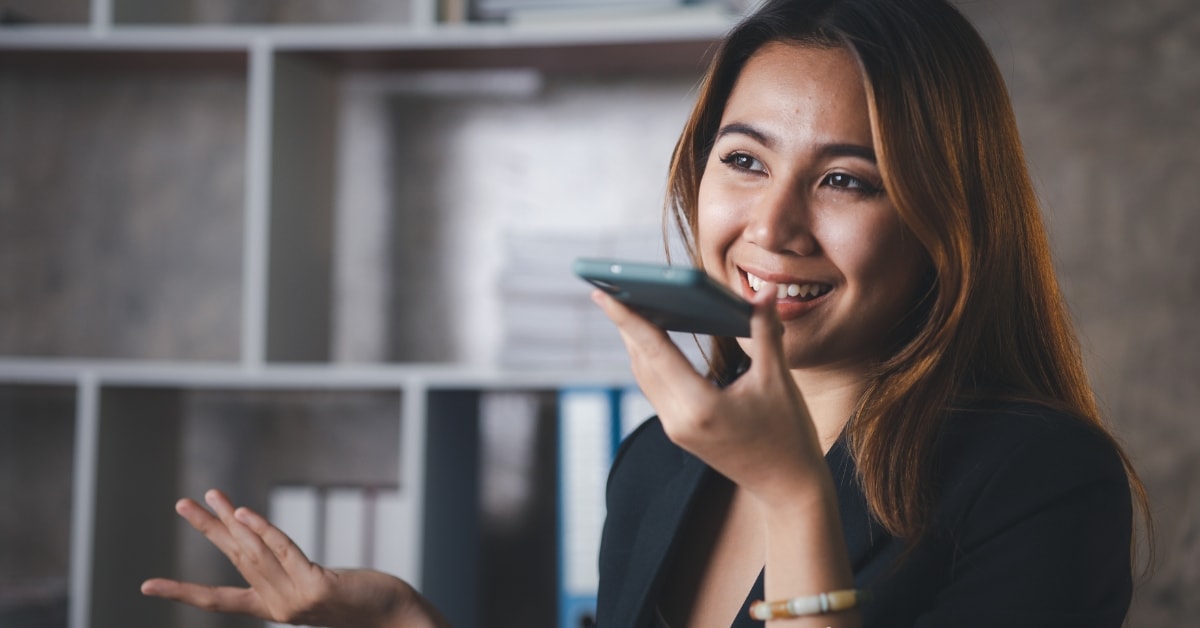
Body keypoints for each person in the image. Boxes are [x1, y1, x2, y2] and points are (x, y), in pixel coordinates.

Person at [141, 0, 1152, 626]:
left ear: (950, 217)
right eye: (744, 161)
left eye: (848, 180)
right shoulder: (660, 463)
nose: (774, 224)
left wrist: (795, 496)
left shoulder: (1044, 482)